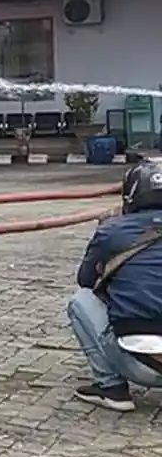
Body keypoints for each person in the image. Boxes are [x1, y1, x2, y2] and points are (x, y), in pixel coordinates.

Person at [67, 160, 162, 412]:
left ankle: (111, 387)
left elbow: (85, 280)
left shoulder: (112, 230)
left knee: (81, 301)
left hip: (142, 365)